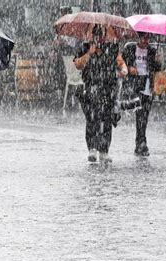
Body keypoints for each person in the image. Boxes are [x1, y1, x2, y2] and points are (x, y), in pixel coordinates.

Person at [74, 25, 128, 162]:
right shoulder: (85, 47)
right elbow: (78, 64)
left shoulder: (111, 48)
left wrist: (123, 69)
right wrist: (89, 54)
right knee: (91, 119)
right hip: (90, 89)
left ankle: (104, 150)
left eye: (100, 35)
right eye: (95, 35)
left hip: (107, 89)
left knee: (106, 120)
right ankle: (92, 149)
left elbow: (120, 62)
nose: (98, 38)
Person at [122, 32, 161, 156]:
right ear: (139, 38)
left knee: (144, 115)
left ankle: (141, 144)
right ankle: (141, 143)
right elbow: (121, 64)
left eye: (148, 38)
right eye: (144, 38)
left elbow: (157, 69)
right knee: (140, 114)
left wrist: (158, 61)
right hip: (135, 85)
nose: (146, 41)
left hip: (148, 85)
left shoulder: (152, 51)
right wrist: (129, 68)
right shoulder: (130, 48)